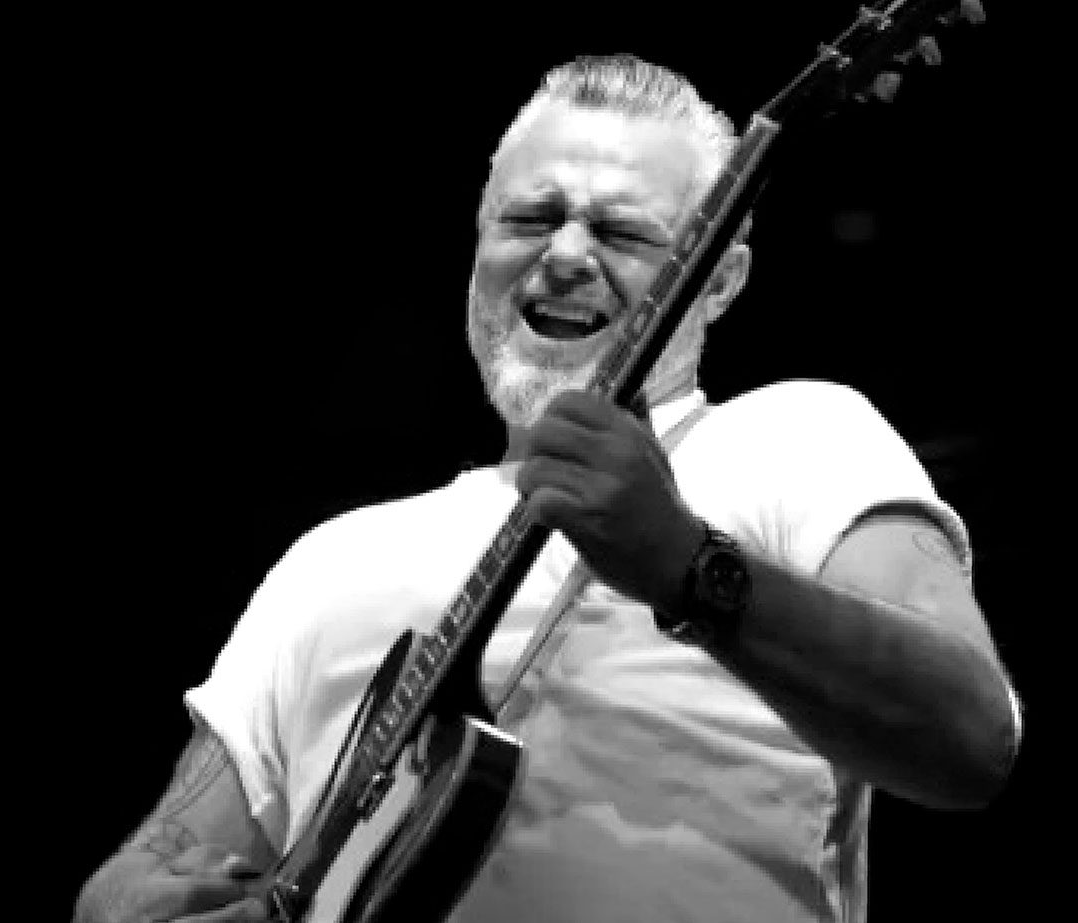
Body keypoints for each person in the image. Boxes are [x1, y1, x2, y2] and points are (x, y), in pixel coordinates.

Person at [74, 52, 1020, 923]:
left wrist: (687, 566)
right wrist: (123, 899)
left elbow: (970, 734)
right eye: (530, 219)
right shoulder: (331, 556)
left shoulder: (797, 435)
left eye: (621, 230)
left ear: (721, 280)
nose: (565, 253)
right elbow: (163, 856)